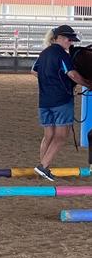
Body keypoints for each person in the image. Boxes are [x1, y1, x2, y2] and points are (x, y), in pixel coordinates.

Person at [31, 25, 92, 181]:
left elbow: (34, 71)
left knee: (48, 135)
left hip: (44, 101)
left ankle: (43, 169)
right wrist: (87, 83)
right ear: (57, 38)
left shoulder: (43, 54)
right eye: (67, 39)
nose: (69, 42)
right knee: (61, 136)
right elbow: (72, 74)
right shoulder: (62, 55)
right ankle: (43, 167)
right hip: (61, 100)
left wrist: (50, 81)